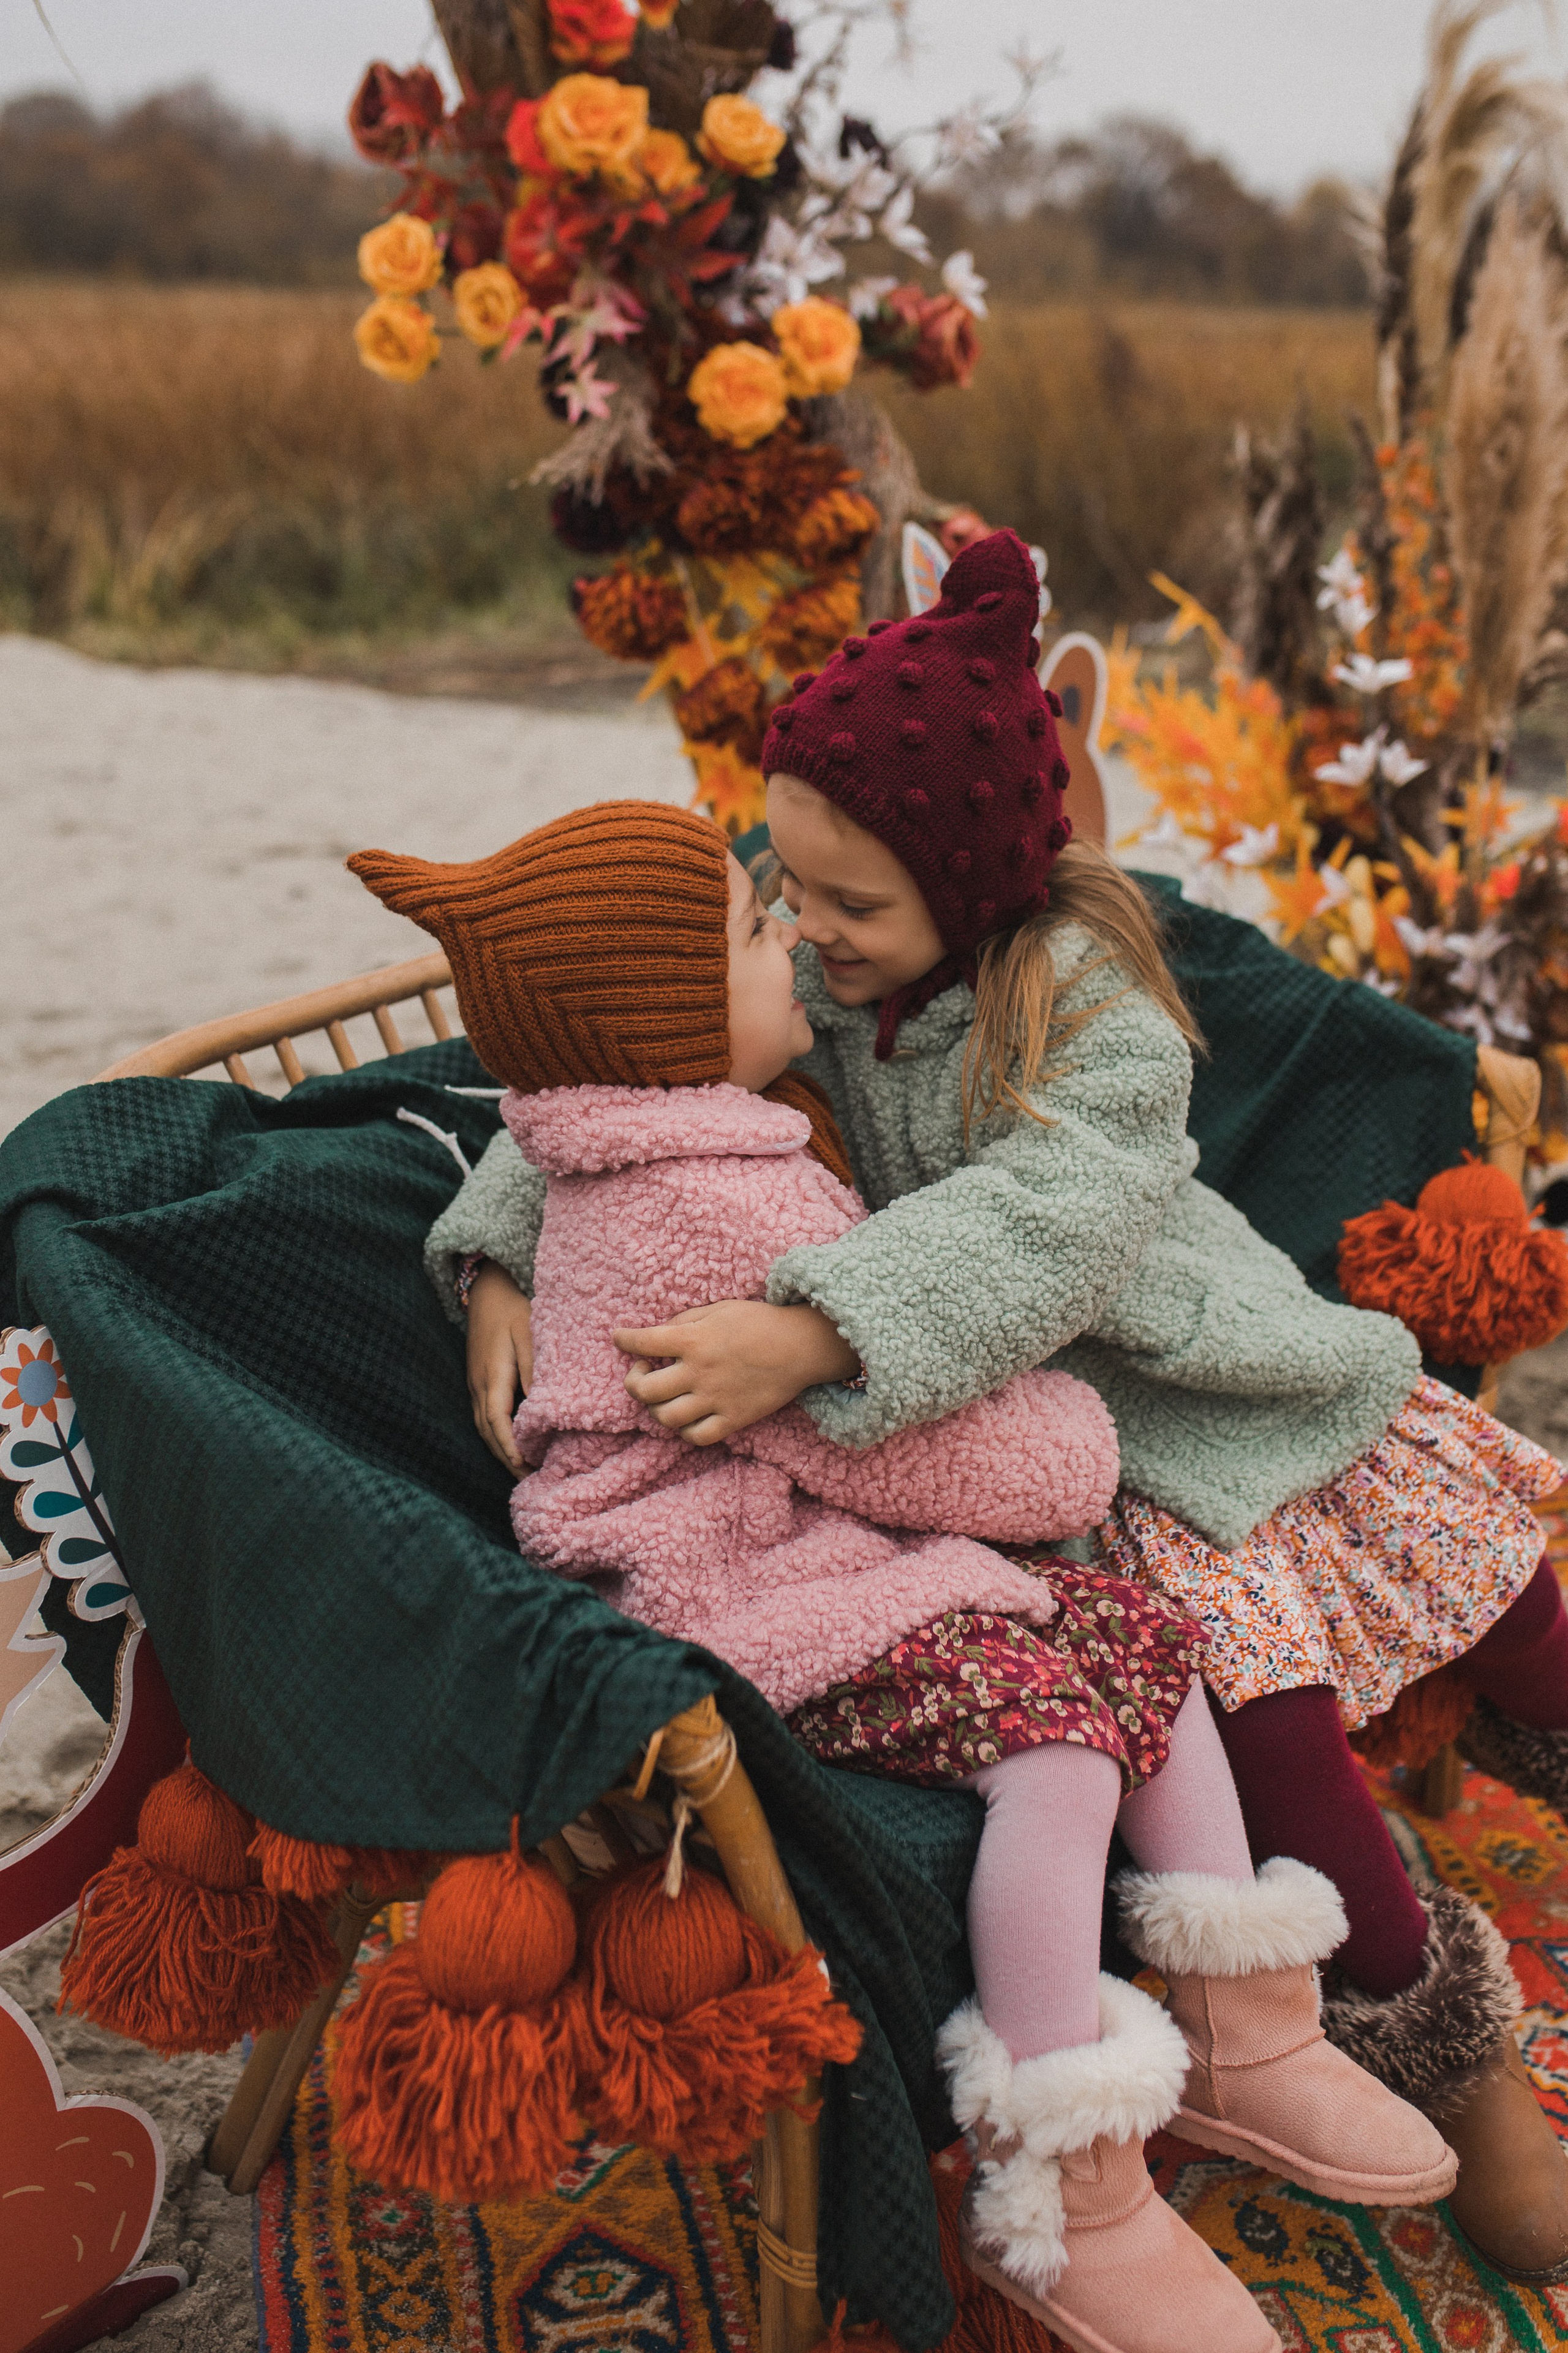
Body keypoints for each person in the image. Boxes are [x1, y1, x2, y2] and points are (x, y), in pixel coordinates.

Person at [354, 799, 1453, 2353]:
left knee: (1136, 1631)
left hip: (800, 1527)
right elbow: (891, 1452)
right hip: (727, 1578)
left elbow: (845, 1427)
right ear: (661, 1028)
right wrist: (1071, 1446)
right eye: (753, 931)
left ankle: (1239, 2020)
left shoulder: (699, 1134)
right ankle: (1057, 2183)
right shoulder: (707, 1202)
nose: (790, 936)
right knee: (1060, 1750)